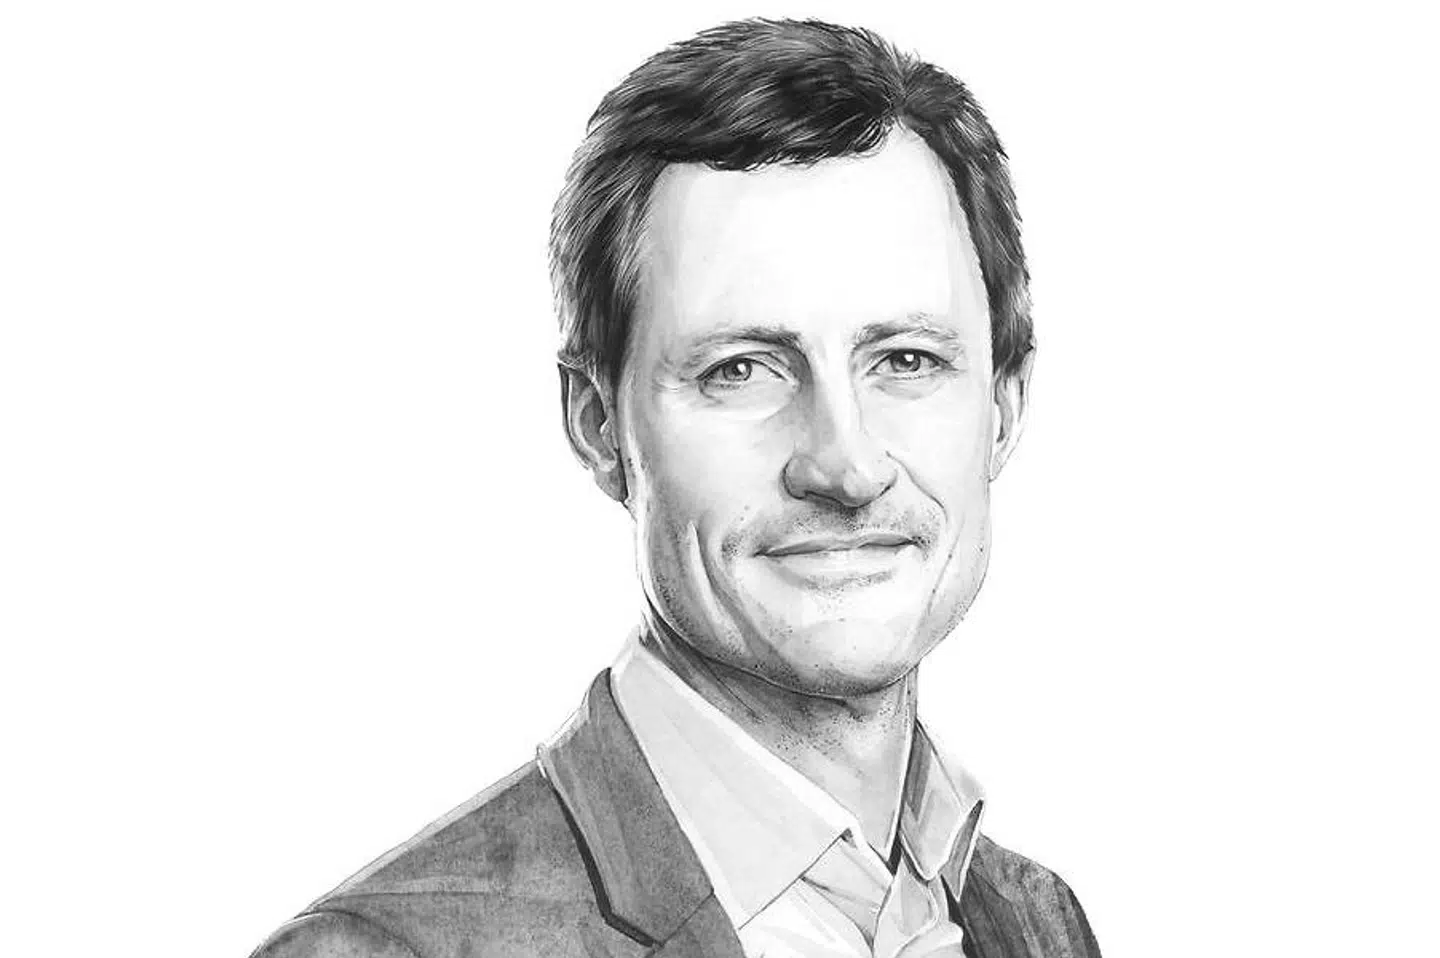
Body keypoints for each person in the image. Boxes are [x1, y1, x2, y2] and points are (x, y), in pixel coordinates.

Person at [252, 18, 1101, 958]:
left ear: (1005, 405)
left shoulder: (1037, 921)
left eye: (906, 360)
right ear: (598, 426)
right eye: (740, 370)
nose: (846, 466)